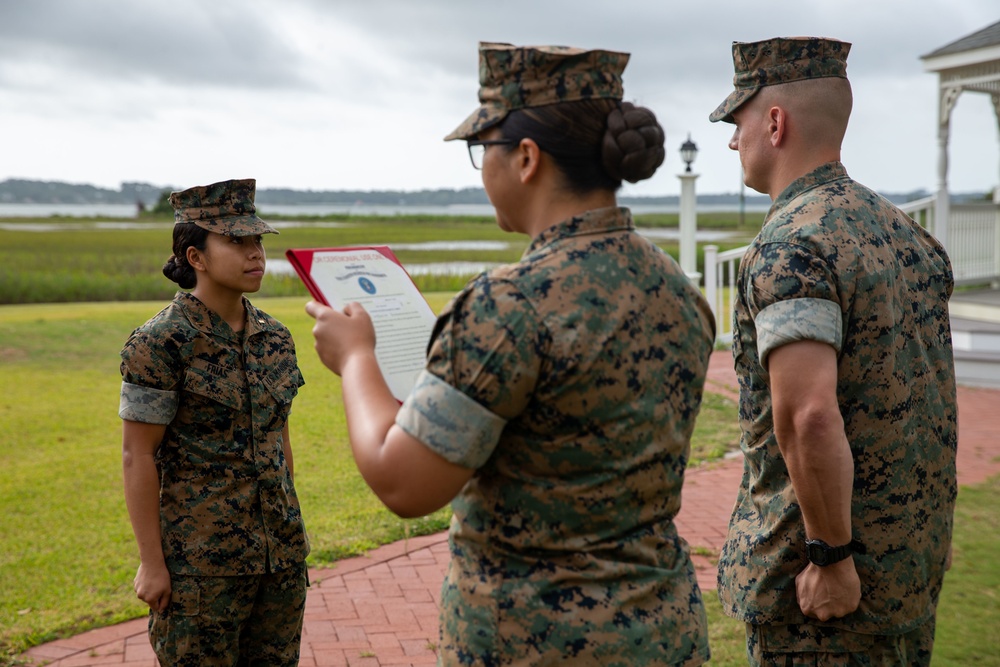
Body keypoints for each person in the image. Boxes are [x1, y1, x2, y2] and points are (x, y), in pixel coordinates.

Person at [307, 42, 716, 666]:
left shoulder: (512, 305)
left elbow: (402, 482)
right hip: (661, 633)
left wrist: (357, 356)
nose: (481, 170)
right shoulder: (675, 288)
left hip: (534, 643)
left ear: (525, 157)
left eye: (482, 151)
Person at [708, 37, 958, 666]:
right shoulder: (907, 236)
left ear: (774, 121)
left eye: (737, 122)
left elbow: (808, 416)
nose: (733, 141)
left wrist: (831, 557)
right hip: (907, 575)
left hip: (824, 604)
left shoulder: (793, 245)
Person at [119, 178, 309, 666]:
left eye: (258, 241)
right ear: (194, 257)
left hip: (279, 561)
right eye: (236, 241)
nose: (255, 254)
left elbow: (279, 441)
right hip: (201, 572)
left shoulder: (276, 337)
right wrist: (152, 563)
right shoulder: (159, 343)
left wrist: (290, 534)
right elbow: (136, 456)